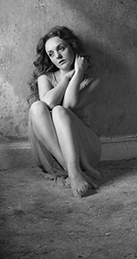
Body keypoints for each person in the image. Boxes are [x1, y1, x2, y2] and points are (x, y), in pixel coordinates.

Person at [27, 25, 102, 197]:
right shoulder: (45, 78)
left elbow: (68, 105)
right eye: (51, 54)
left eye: (61, 48)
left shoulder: (93, 82)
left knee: (60, 111)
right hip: (54, 152)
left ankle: (75, 169)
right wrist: (66, 78)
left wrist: (78, 74)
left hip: (84, 148)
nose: (57, 56)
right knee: (37, 107)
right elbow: (48, 101)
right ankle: (72, 171)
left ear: (72, 47)